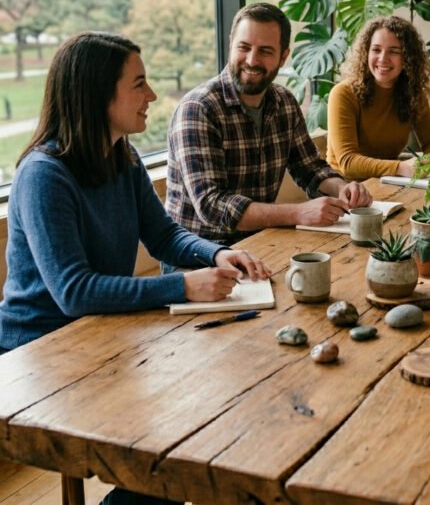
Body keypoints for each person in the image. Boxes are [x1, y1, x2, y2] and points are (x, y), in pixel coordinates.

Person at [0, 32, 271, 505]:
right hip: (40, 353)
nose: (152, 95)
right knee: (174, 443)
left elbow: (164, 235)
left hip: (101, 335)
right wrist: (183, 286)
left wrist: (214, 254)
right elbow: (73, 291)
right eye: (139, 84)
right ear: (98, 95)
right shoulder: (44, 175)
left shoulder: (121, 156)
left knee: (205, 414)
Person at [166, 2, 371, 244]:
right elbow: (212, 206)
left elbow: (311, 168)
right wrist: (298, 213)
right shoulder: (198, 109)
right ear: (231, 43)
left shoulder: (285, 102)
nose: (252, 60)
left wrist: (342, 188)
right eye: (244, 47)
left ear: (283, 57)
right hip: (198, 254)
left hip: (258, 242)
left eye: (265, 51)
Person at [326, 16, 430, 180]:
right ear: (366, 52)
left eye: (394, 51)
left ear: (408, 58)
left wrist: (425, 163)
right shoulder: (343, 93)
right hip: (344, 186)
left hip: (388, 181)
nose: (382, 59)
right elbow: (348, 162)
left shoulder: (413, 93)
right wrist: (401, 167)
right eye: (376, 50)